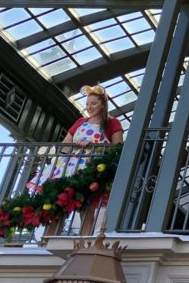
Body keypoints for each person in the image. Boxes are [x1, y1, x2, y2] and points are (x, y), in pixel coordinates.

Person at [28, 85, 124, 236]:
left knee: (86, 207)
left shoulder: (112, 123)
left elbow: (117, 148)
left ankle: (83, 242)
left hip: (92, 168)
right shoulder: (80, 122)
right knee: (59, 202)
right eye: (87, 104)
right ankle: (49, 239)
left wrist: (94, 146)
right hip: (68, 168)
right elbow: (65, 147)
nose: (89, 107)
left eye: (93, 103)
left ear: (103, 104)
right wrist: (74, 146)